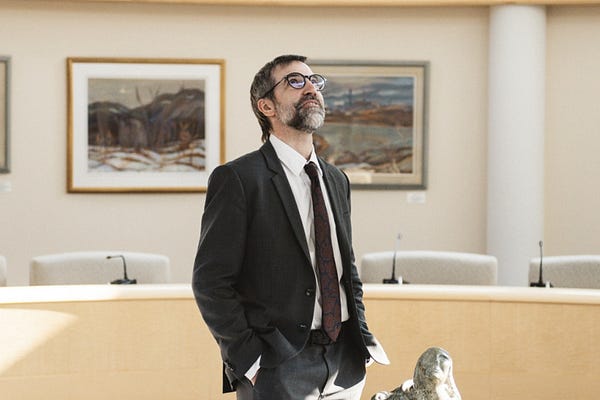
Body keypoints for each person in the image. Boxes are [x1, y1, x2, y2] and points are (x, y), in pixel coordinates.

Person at [192, 54, 389, 400]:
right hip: (278, 367)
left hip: (345, 362)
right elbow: (211, 283)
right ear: (266, 106)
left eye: (314, 81)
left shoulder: (336, 179)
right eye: (295, 81)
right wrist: (249, 359)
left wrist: (361, 335)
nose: (311, 88)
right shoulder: (238, 179)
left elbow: (346, 270)